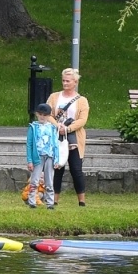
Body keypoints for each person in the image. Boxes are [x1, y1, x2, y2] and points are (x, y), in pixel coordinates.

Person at [51, 68, 89, 208]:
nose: (65, 83)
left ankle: (82, 201)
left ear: (75, 82)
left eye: (68, 81)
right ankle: (54, 200)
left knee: (76, 170)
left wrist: (68, 128)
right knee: (57, 168)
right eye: (63, 80)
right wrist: (57, 126)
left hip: (74, 139)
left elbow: (82, 120)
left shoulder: (82, 100)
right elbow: (48, 114)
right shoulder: (54, 97)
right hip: (57, 137)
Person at [25, 102, 59, 209]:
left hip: (49, 155)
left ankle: (50, 203)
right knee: (34, 180)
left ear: (49, 116)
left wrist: (56, 159)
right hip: (37, 156)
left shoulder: (52, 128)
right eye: (40, 114)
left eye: (45, 115)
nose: (42, 117)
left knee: (49, 180)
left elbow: (55, 144)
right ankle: (32, 201)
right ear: (37, 114)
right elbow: (29, 144)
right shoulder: (33, 127)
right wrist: (30, 160)